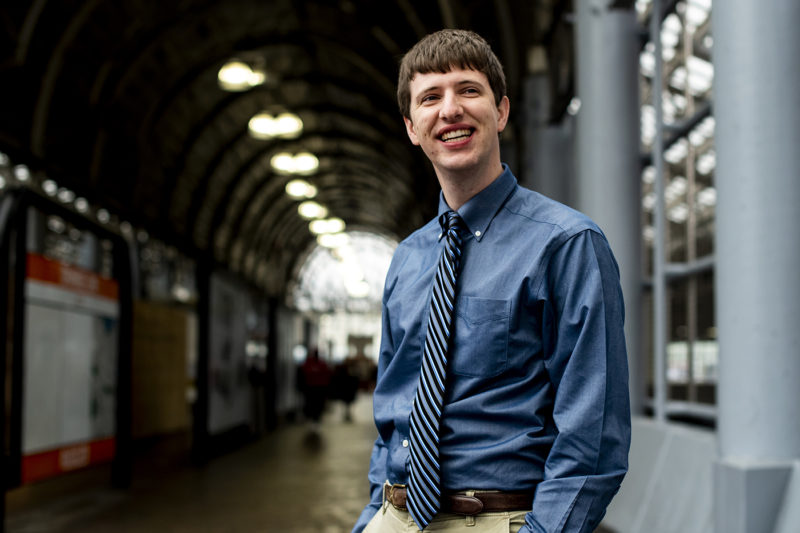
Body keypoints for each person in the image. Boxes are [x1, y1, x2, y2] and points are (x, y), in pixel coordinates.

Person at [352, 29, 630, 533]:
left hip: (495, 517)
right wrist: (374, 514)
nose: (450, 109)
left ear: (500, 112)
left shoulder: (567, 244)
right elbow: (395, 405)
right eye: (430, 98)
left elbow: (595, 432)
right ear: (412, 128)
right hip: (395, 515)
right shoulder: (408, 259)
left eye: (468, 90)